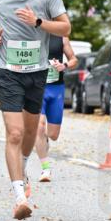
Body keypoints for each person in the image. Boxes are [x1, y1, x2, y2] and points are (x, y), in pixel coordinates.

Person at [0, 0, 70, 221]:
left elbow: (66, 26)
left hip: (37, 71)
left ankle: (24, 167)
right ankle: (19, 195)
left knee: (31, 135)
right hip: (8, 71)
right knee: (15, 133)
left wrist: (39, 23)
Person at [35, 36, 77, 182]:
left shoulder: (61, 38)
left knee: (53, 135)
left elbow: (73, 59)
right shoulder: (31, 34)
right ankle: (45, 168)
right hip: (37, 88)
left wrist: (64, 66)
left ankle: (44, 139)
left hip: (56, 89)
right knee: (39, 126)